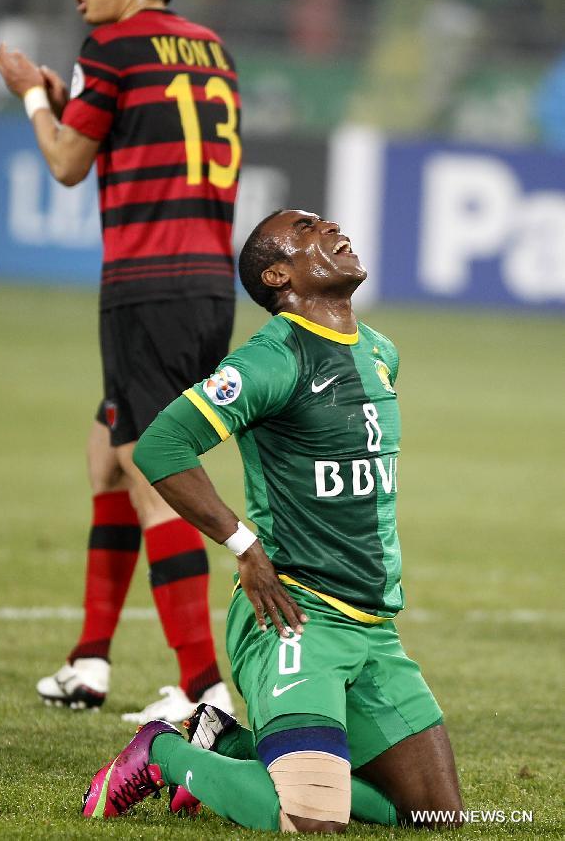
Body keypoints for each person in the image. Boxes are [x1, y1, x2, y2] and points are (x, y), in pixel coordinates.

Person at [80, 209, 464, 831]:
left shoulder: (380, 353)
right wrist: (244, 544)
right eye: (309, 228)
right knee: (312, 820)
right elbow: (160, 448)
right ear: (281, 275)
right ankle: (162, 753)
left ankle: (226, 746)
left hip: (374, 630)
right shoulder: (273, 359)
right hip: (294, 618)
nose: (332, 225)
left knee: (437, 819)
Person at [0, 0, 241, 722]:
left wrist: (35, 96)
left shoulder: (112, 44)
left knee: (151, 475)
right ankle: (90, 662)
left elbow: (70, 162)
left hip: (145, 287)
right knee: (109, 456)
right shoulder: (210, 49)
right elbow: (141, 130)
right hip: (206, 284)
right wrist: (71, 98)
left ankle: (203, 692)